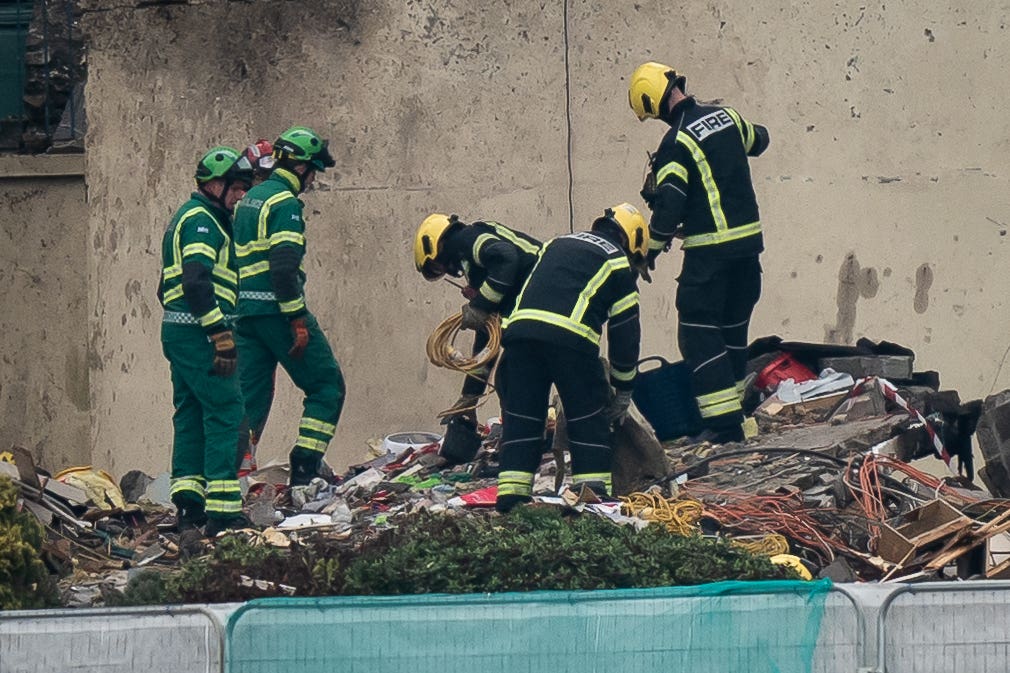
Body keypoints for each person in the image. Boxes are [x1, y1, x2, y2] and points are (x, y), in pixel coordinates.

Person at [629, 61, 770, 444]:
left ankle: (724, 428)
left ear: (652, 101)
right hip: (748, 252)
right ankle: (741, 418)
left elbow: (669, 206)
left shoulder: (675, 143)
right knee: (732, 332)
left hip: (710, 255)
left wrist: (648, 251)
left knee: (698, 331)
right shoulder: (726, 116)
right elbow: (760, 139)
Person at [494, 203, 647, 513]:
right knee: (587, 415)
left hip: (520, 335)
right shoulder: (617, 262)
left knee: (523, 418)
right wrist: (623, 388)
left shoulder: (557, 242)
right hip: (571, 340)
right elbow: (624, 333)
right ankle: (591, 496)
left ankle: (511, 497)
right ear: (632, 241)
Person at [232, 125, 345, 487]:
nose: (312, 181)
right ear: (300, 167)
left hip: (245, 315)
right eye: (312, 171)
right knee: (327, 386)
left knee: (249, 400)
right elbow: (282, 268)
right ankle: (305, 464)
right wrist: (296, 318)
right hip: (278, 312)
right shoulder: (284, 203)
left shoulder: (250, 198)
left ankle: (232, 478)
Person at [159, 146, 254, 536]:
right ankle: (223, 511)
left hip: (182, 331)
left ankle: (189, 505)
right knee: (225, 410)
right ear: (215, 184)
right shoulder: (203, 221)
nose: (240, 196)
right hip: (200, 333)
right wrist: (219, 333)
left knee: (191, 413)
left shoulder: (189, 217)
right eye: (236, 188)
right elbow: (196, 282)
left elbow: (165, 288)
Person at [413, 214, 542, 462]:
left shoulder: (466, 239)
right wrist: (470, 396)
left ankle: (520, 455)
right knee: (513, 377)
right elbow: (486, 337)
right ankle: (519, 451)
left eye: (436, 266)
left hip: (545, 300)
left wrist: (480, 304)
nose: (444, 271)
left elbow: (507, 256)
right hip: (540, 305)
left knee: (512, 378)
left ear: (437, 245)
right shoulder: (479, 269)